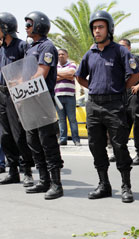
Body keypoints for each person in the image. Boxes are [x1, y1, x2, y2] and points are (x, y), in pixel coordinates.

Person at [76, 10, 139, 203]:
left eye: (101, 27)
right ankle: (104, 184)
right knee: (96, 145)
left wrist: (120, 89)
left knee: (119, 146)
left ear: (109, 29)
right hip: (94, 105)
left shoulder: (121, 51)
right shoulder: (90, 53)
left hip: (114, 105)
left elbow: (136, 75)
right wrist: (94, 88)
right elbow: (79, 77)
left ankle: (126, 186)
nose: (97, 31)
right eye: (94, 28)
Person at [24, 11, 64, 200]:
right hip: (29, 101)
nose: (26, 28)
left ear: (39, 25)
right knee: (33, 142)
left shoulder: (47, 46)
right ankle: (43, 180)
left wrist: (21, 86)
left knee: (47, 142)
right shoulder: (30, 48)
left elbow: (41, 73)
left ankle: (56, 184)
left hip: (42, 100)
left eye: (29, 24)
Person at [0, 12, 34, 187]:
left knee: (19, 134)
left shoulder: (22, 46)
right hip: (2, 95)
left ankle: (27, 170)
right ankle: (12, 171)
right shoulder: (1, 49)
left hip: (17, 95)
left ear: (5, 28)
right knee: (5, 135)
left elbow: (29, 71)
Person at [113, 38, 139, 165]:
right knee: (121, 126)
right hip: (122, 96)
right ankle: (120, 153)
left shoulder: (135, 59)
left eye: (123, 47)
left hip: (135, 95)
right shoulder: (117, 61)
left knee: (138, 126)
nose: (120, 49)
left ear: (129, 48)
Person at [55, 48, 81, 146]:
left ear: (67, 56)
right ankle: (63, 139)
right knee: (61, 120)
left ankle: (76, 140)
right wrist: (67, 76)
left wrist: (58, 74)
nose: (61, 56)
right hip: (57, 96)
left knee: (72, 119)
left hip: (70, 96)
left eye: (63, 54)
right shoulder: (54, 66)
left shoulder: (72, 64)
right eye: (59, 54)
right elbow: (53, 78)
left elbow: (71, 74)